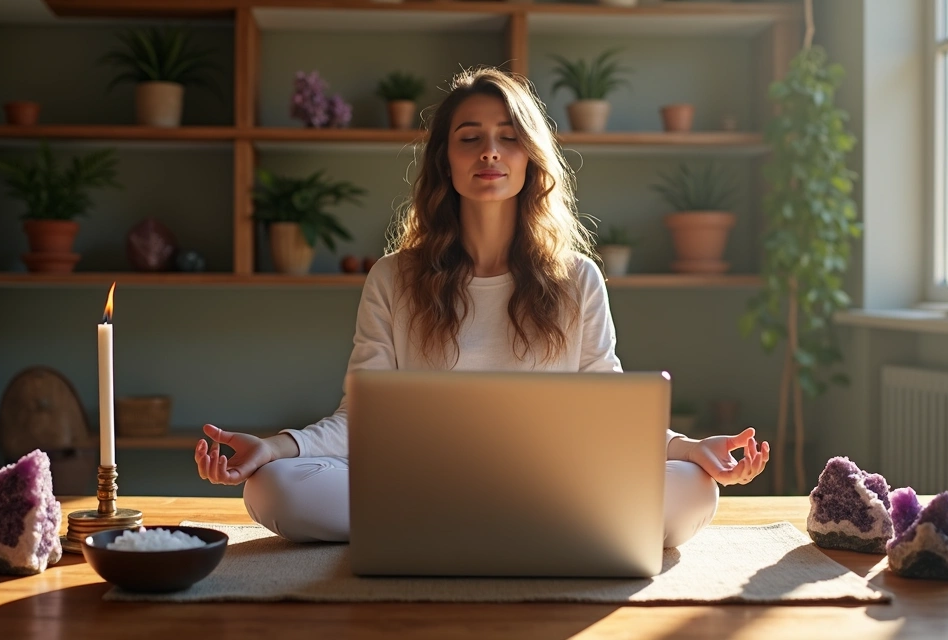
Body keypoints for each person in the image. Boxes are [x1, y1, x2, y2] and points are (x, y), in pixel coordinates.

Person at [195, 67, 770, 547]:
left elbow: (613, 410)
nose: (490, 151)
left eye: (508, 136)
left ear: (531, 158)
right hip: (424, 484)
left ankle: (461, 529)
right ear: (446, 160)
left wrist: (692, 450)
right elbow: (360, 418)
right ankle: (522, 530)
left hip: (550, 486)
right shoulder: (393, 277)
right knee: (272, 487)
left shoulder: (578, 279)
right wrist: (274, 447)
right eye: (470, 137)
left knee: (694, 489)